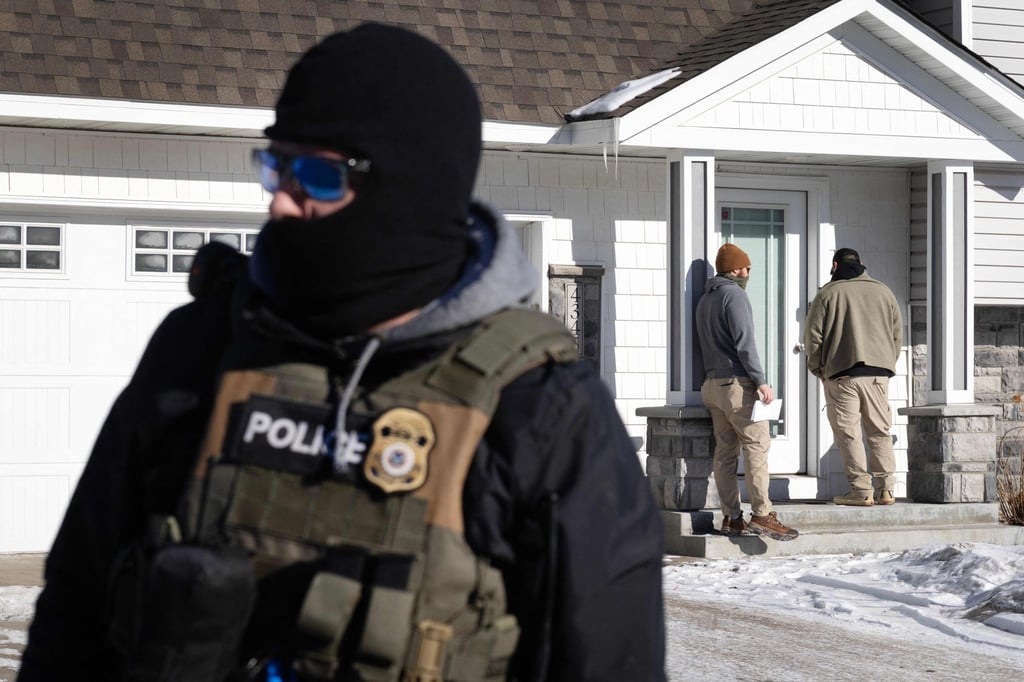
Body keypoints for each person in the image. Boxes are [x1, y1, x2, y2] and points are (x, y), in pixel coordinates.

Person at [19, 24, 666, 682]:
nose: (279, 201)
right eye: (276, 166)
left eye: (318, 177)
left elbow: (611, 661)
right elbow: (75, 609)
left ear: (410, 191)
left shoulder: (543, 408)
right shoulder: (201, 347)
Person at [694, 243, 799, 542]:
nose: (749, 273)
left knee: (725, 453)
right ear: (735, 269)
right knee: (756, 446)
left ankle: (732, 518)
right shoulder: (734, 295)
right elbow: (745, 343)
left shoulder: (705, 298)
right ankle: (763, 514)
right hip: (738, 386)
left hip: (712, 386)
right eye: (747, 268)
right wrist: (761, 381)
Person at [803, 247, 902, 507]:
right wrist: (886, 364)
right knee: (879, 432)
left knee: (849, 434)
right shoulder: (884, 292)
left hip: (843, 373)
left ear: (835, 266)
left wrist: (818, 369)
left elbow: (813, 338)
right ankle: (886, 490)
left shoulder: (827, 294)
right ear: (862, 264)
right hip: (878, 375)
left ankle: (860, 490)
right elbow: (896, 336)